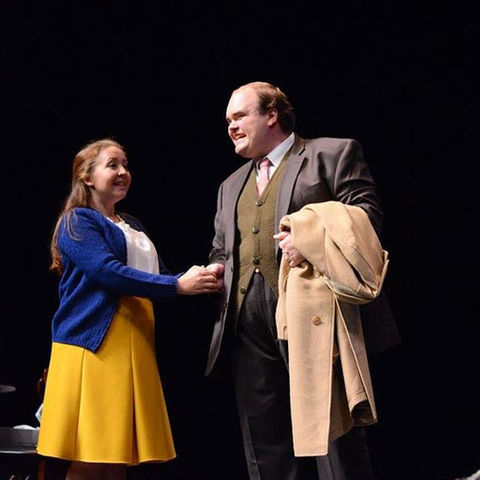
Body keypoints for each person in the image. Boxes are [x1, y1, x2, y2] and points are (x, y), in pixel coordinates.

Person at [206, 82, 401, 480]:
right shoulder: (230, 186)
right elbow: (221, 249)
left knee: (335, 436)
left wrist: (309, 238)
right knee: (266, 445)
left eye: (240, 116)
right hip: (247, 327)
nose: (231, 127)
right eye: (228, 121)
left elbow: (367, 219)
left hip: (316, 318)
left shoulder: (330, 154)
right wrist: (215, 269)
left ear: (272, 115)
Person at [36, 138, 220, 480]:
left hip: (132, 343)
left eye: (125, 165)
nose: (123, 171)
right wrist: (178, 284)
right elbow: (108, 273)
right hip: (94, 346)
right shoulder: (78, 221)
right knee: (90, 458)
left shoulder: (130, 224)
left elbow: (158, 278)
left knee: (115, 457)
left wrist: (201, 278)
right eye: (112, 165)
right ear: (87, 177)